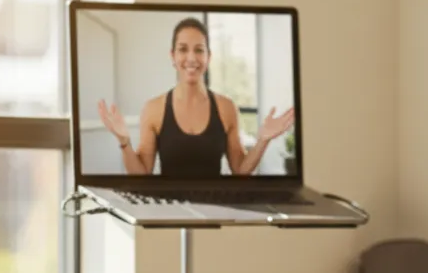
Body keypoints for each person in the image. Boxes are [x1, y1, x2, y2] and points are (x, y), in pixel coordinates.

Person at [97, 17, 295, 177]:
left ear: (209, 57)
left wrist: (263, 141)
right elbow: (142, 173)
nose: (191, 58)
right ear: (172, 56)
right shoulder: (153, 109)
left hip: (215, 212)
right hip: (171, 213)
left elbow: (240, 169)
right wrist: (124, 142)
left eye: (199, 50)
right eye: (183, 49)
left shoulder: (226, 108)